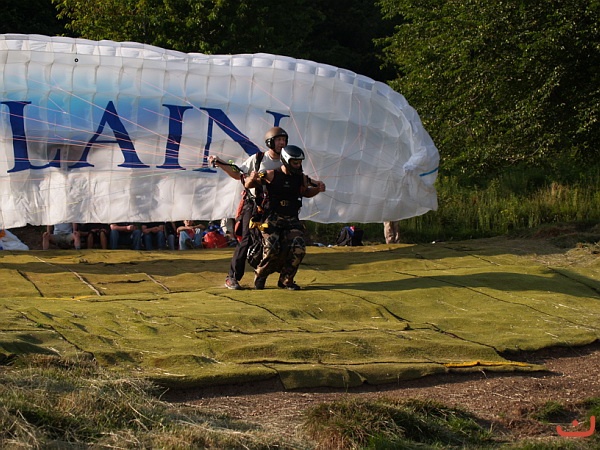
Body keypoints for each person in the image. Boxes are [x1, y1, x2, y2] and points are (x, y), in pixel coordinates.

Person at [208, 126, 289, 290]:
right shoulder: (258, 159)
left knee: (282, 240)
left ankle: (281, 277)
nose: (282, 143)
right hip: (253, 205)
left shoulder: (286, 161)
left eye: (284, 140)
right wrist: (222, 163)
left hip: (275, 208)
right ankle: (232, 277)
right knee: (246, 240)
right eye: (279, 140)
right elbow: (238, 173)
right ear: (270, 142)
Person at [244, 145, 326, 290]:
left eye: (300, 162)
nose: (298, 165)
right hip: (272, 218)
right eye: (295, 162)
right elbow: (248, 185)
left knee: (299, 247)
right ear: (286, 161)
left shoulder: (301, 178)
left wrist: (317, 189)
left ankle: (286, 279)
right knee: (272, 248)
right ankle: (261, 274)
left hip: (291, 219)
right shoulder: (271, 174)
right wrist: (252, 178)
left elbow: (306, 192)